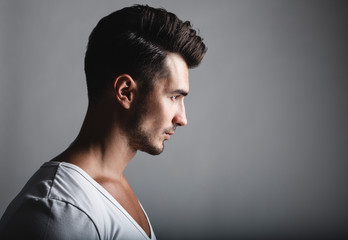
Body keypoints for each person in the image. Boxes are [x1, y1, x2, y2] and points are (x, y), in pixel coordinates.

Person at [0, 4, 206, 239]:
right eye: (174, 96)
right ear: (125, 92)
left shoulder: (109, 189)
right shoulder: (59, 211)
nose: (182, 119)